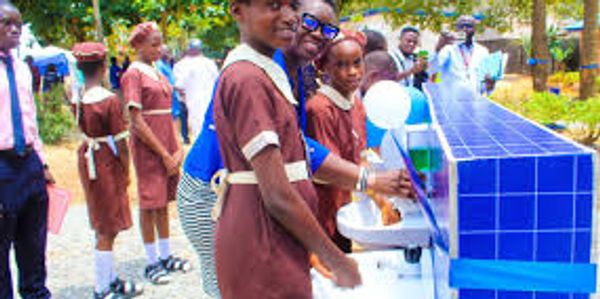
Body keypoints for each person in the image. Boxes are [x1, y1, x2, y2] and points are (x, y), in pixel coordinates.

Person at [177, 1, 415, 296]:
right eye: (309, 22)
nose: (318, 35)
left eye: (328, 30)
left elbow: (296, 145)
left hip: (253, 197)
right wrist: (367, 182)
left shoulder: (289, 73)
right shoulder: (257, 72)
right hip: (212, 194)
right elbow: (295, 159)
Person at [212, 0, 365, 297]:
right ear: (237, 11)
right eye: (272, 6)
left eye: (293, 6)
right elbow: (278, 196)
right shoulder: (248, 79)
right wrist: (334, 257)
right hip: (262, 235)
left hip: (274, 233)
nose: (289, 17)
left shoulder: (267, 72)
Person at [120, 21, 190, 285]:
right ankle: (151, 261)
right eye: (154, 44)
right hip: (149, 148)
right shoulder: (133, 74)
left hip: (167, 145)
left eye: (161, 43)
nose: (159, 49)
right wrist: (163, 153)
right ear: (138, 45)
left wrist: (177, 147)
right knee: (150, 203)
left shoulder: (159, 72)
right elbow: (136, 120)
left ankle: (166, 254)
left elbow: (169, 112)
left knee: (163, 203)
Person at [71, 42, 142, 299]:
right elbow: (121, 142)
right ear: (103, 67)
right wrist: (125, 169)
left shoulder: (78, 97)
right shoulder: (108, 100)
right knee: (108, 226)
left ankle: (109, 277)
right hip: (105, 163)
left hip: (89, 158)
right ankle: (101, 288)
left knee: (101, 218)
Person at [0, 2, 54, 298]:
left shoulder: (21, 69)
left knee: (34, 248)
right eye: (6, 23)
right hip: (1, 168)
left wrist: (42, 163)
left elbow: (30, 118)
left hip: (29, 164)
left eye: (18, 24)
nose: (15, 29)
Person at [307, 30, 370, 253]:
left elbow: (360, 156)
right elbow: (327, 171)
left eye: (357, 63)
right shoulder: (320, 109)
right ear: (324, 68)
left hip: (343, 207)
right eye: (341, 65)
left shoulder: (356, 104)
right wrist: (373, 185)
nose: (352, 72)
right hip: (324, 212)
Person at [429, 15, 495, 98]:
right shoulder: (448, 49)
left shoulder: (483, 51)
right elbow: (433, 70)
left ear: (475, 29)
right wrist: (438, 48)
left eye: (469, 26)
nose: (465, 29)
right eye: (461, 26)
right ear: (456, 29)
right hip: (451, 100)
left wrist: (490, 85)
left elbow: (485, 84)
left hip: (474, 100)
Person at [173, 39, 219, 140]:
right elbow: (218, 82)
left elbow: (179, 86)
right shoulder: (210, 63)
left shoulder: (180, 65)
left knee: (198, 134)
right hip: (211, 104)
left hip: (193, 104)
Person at [156, 45, 183, 142]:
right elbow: (162, 82)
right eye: (165, 51)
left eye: (168, 51)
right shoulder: (158, 65)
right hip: (167, 97)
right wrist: (176, 87)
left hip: (174, 96)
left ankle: (176, 139)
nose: (168, 54)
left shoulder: (167, 65)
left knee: (176, 117)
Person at [390, 26, 429, 91]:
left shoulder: (415, 58)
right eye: (408, 41)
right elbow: (388, 79)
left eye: (415, 42)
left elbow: (426, 81)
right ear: (400, 39)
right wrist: (411, 71)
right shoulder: (390, 57)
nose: (412, 44)